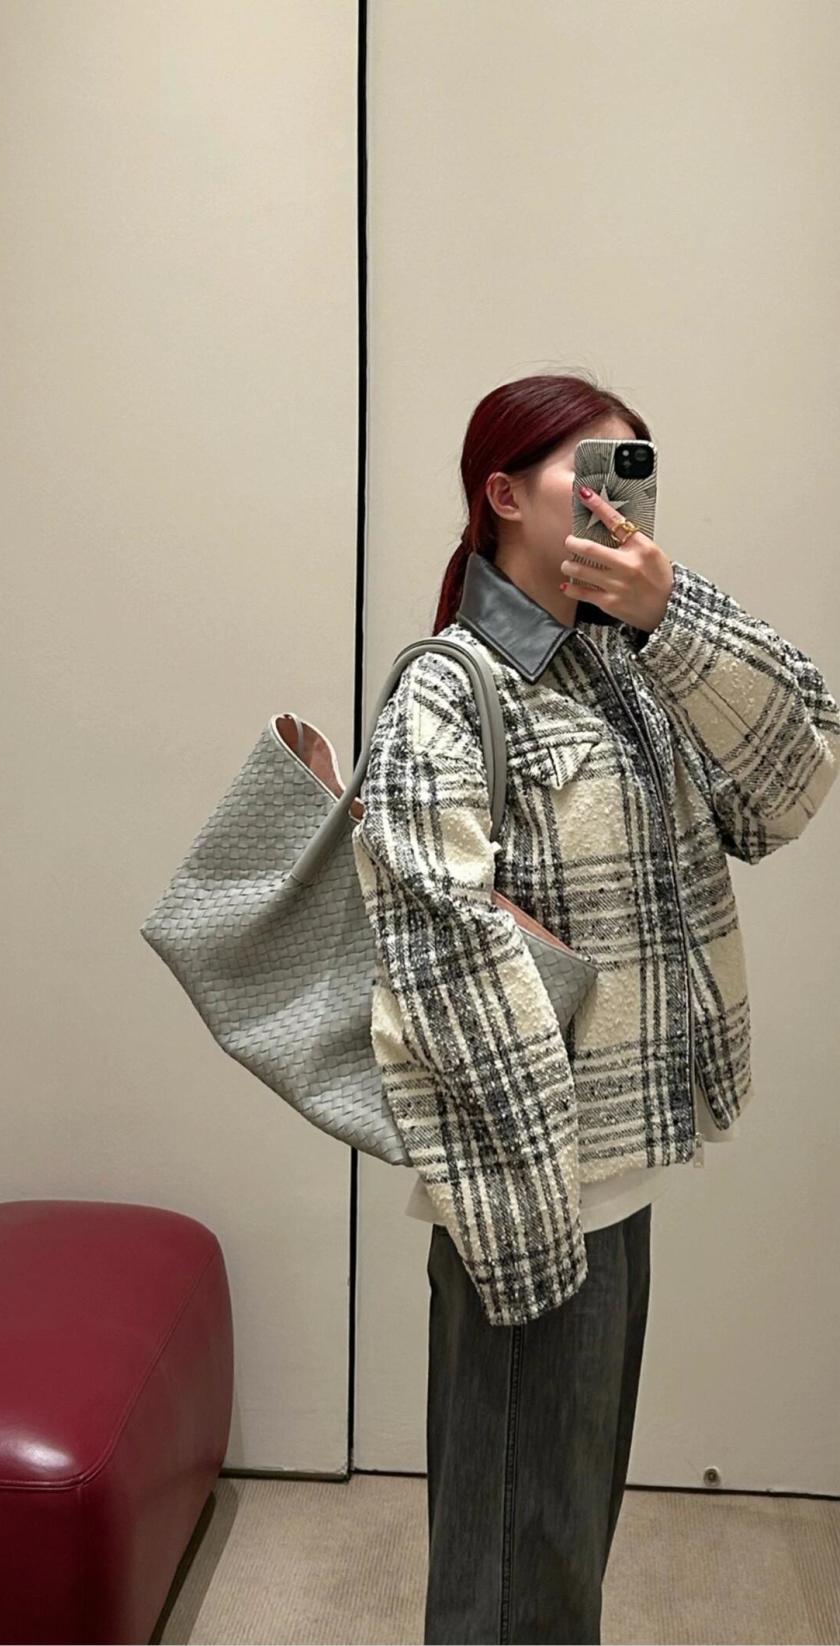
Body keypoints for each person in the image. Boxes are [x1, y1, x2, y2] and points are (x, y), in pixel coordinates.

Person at [350, 371, 840, 1644]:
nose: (619, 500)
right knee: (518, 1560)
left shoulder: (635, 667)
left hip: (621, 1167)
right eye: (591, 472)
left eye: (637, 473)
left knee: (559, 1538)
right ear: (503, 495)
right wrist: (530, 1213)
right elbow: (439, 947)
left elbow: (794, 775)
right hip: (533, 1181)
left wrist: (674, 614)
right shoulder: (450, 687)